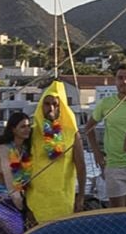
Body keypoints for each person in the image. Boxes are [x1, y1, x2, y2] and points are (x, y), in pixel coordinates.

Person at [27, 82, 86, 224]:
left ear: (61, 107)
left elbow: (81, 166)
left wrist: (81, 196)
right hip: (37, 198)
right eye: (47, 104)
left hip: (62, 198)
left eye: (55, 104)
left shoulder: (71, 133)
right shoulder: (31, 131)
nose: (51, 108)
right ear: (41, 105)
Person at [86, 62, 126, 207]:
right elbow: (88, 128)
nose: (124, 81)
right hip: (113, 165)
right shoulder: (106, 104)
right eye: (120, 78)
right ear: (115, 81)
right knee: (117, 214)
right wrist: (97, 153)